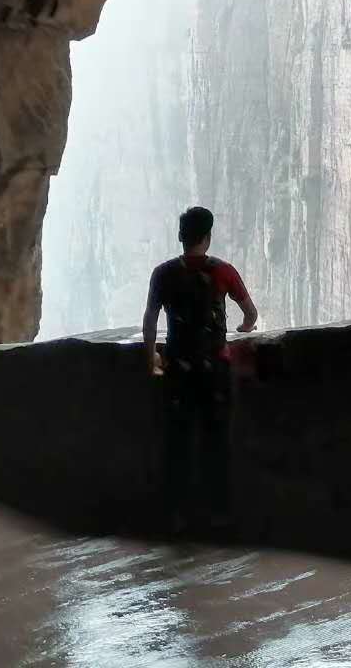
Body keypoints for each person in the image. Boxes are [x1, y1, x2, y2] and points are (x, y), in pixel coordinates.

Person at [143, 206, 258, 533]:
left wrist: (150, 356)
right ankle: (218, 516)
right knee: (217, 441)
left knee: (177, 442)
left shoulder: (163, 274)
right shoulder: (223, 271)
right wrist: (244, 329)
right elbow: (250, 314)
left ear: (181, 237)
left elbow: (150, 319)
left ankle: (176, 516)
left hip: (178, 369)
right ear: (207, 238)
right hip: (215, 370)